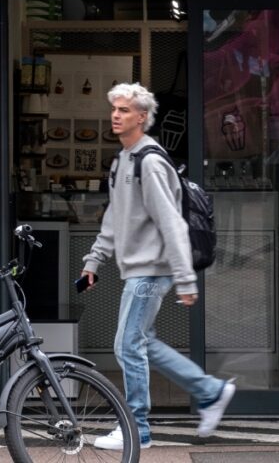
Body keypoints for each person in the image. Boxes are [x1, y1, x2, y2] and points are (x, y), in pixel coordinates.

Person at [80, 82, 234, 450]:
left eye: (125, 110)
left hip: (152, 269)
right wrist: (93, 261)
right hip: (138, 268)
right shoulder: (123, 160)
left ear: (143, 117)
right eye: (114, 108)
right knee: (141, 342)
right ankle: (211, 392)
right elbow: (114, 218)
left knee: (126, 345)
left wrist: (185, 279)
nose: (116, 115)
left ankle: (137, 429)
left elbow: (171, 223)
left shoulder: (149, 162)